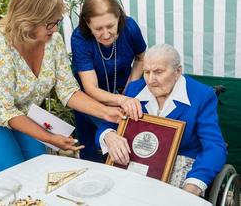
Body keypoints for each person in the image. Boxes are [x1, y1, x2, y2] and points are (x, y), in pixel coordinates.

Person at [0, 0, 124, 179]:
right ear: (28, 20)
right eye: (49, 23)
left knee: (37, 162)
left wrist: (106, 112)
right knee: (11, 173)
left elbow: (68, 90)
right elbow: (3, 111)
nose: (54, 28)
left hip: (19, 110)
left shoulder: (53, 41)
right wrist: (51, 138)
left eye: (57, 21)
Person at [96, 44, 227, 196]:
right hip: (136, 165)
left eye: (158, 72)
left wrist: (193, 185)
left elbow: (215, 147)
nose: (151, 80)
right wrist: (109, 136)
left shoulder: (201, 95)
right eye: (146, 72)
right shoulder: (134, 90)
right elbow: (108, 123)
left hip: (180, 169)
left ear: (178, 71)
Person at [71, 0, 147, 162]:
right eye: (98, 28)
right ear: (87, 24)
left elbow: (141, 58)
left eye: (110, 26)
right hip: (92, 104)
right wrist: (121, 100)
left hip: (126, 94)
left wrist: (129, 93)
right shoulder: (79, 38)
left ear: (119, 17)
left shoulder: (130, 27)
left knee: (129, 150)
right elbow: (90, 88)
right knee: (94, 154)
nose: (105, 34)